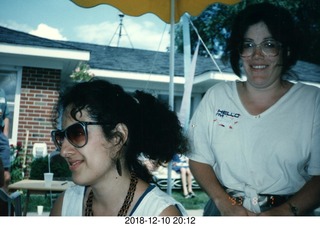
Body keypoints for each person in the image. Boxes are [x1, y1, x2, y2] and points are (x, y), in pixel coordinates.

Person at [187, 2, 320, 216]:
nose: (257, 54)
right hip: (222, 211)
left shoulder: (312, 101)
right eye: (248, 45)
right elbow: (198, 158)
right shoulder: (217, 96)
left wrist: (286, 212)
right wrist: (224, 202)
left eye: (269, 45)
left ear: (285, 50)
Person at [50, 78, 189, 216]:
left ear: (117, 137)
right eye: (61, 137)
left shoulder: (160, 214)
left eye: (77, 133)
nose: (63, 151)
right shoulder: (65, 206)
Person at [0, 88, 11, 193]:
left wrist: (5, 135)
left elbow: (6, 115)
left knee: (6, 176)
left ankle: (3, 205)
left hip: (1, 137)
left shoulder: (2, 92)